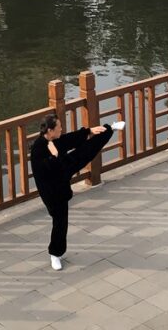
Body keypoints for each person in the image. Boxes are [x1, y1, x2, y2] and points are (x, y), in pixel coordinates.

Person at [30, 114, 125, 270]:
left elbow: (68, 140)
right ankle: (55, 254)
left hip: (62, 174)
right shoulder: (38, 149)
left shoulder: (53, 139)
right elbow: (47, 170)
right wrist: (55, 155)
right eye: (59, 127)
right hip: (52, 191)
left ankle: (109, 129)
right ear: (50, 130)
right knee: (60, 221)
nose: (61, 128)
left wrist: (88, 131)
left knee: (87, 151)